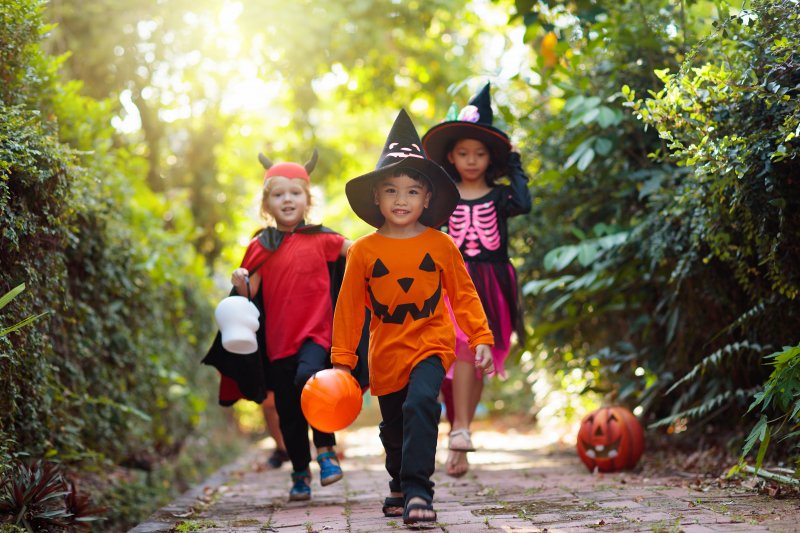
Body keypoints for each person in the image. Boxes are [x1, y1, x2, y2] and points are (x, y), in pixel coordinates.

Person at [330, 109, 494, 525]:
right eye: (391, 191)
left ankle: (420, 489)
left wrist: (481, 338)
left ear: (427, 199)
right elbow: (348, 306)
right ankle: (399, 484)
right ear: (377, 199)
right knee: (393, 427)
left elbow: (464, 294)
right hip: (385, 352)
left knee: (422, 403)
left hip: (431, 343)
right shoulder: (364, 251)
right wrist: (342, 362)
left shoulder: (440, 245)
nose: (401, 200)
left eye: (411, 192)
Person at [203, 150, 352, 501]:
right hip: (278, 342)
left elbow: (360, 253)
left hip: (317, 335)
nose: (287, 199)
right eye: (278, 193)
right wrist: (241, 279)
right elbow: (248, 294)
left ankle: (326, 452)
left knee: (312, 382)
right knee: (288, 413)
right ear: (267, 203)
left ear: (307, 199)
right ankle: (301, 472)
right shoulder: (260, 246)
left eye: (295, 192)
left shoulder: (324, 239)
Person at [422, 81, 531, 477]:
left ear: (491, 158)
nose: (471, 160)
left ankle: (460, 438)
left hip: (492, 281)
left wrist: (514, 161)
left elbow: (525, 202)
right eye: (464, 153)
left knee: (478, 358)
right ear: (451, 156)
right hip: (450, 281)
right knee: (458, 352)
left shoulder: (501, 197)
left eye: (480, 153)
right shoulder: (442, 196)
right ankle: (460, 430)